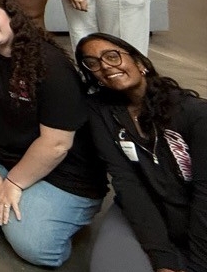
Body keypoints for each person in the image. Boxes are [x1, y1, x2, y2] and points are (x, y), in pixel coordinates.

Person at [0, 0, 104, 268]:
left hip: (59, 166)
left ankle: (57, 210)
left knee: (36, 249)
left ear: (11, 16)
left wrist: (14, 183)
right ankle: (22, 205)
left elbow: (57, 145)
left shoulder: (50, 65)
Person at [76, 33, 207, 272]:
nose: (105, 66)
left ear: (140, 63)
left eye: (112, 56)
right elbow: (127, 183)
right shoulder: (100, 113)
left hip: (198, 214)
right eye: (93, 63)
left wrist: (198, 264)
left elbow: (204, 192)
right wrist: (162, 259)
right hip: (148, 209)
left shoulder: (194, 113)